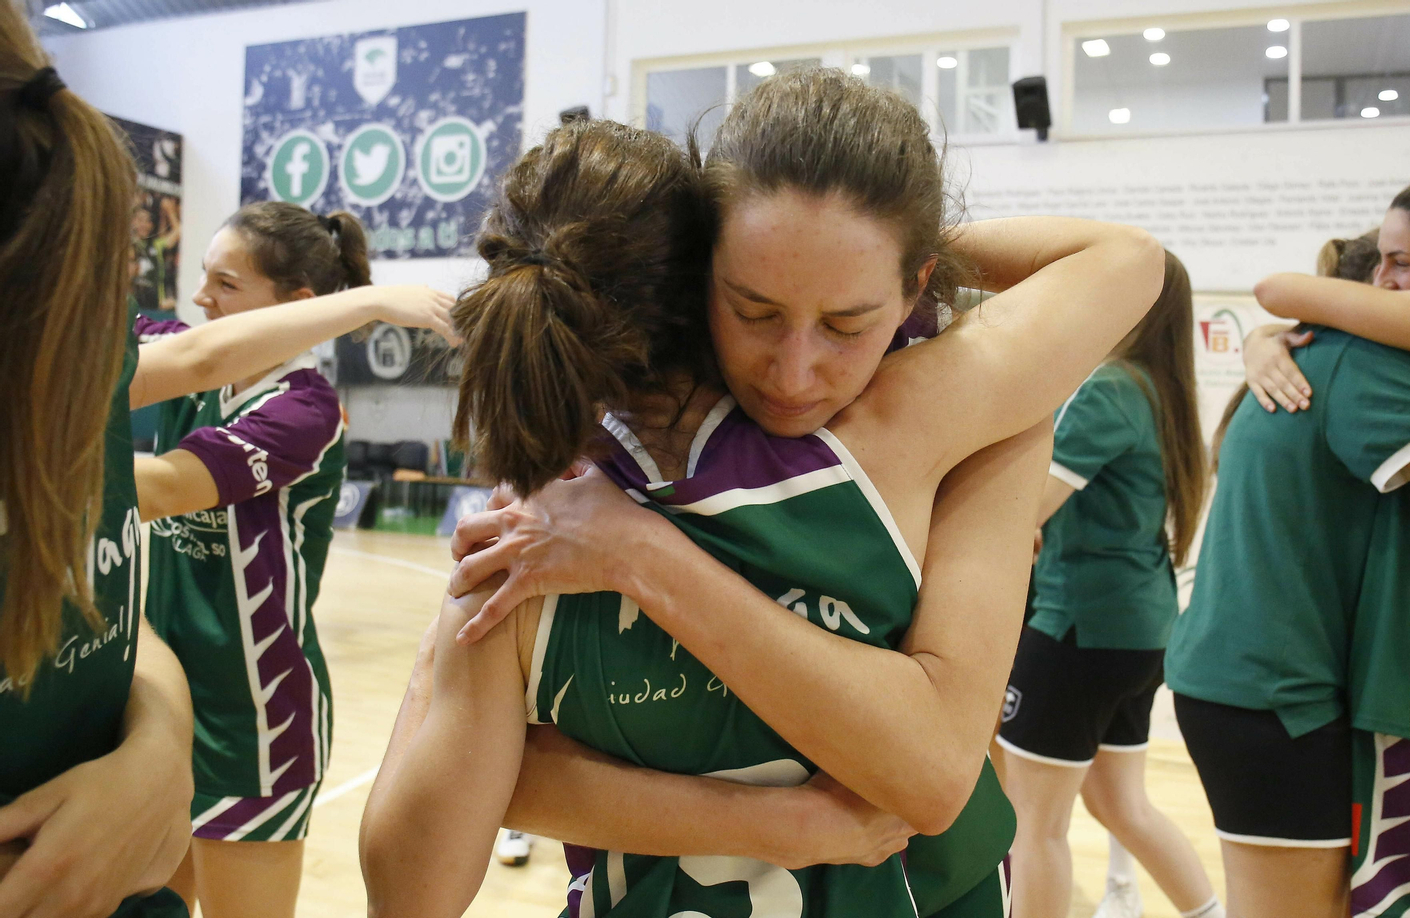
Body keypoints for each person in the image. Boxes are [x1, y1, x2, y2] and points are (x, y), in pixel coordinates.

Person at [363, 71, 1163, 917]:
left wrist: (634, 558)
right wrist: (776, 823)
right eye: (753, 310)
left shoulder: (929, 418)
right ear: (697, 270)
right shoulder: (915, 420)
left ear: (914, 285)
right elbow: (1127, 259)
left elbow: (931, 776)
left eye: (848, 324)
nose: (794, 371)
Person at [1165, 163, 1410, 918]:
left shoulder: (1328, 362)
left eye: (1401, 264)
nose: (1385, 283)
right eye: (1379, 266)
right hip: (1274, 688)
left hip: (1254, 680)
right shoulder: (1367, 366)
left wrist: (1268, 342)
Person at [134, 202, 449, 918]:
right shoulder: (188, 357)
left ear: (299, 308)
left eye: (225, 282)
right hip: (162, 707)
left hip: (255, 721)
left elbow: (160, 489)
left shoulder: (303, 410)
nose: (200, 298)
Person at [0, 14, 194, 915]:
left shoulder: (78, 344)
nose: (201, 296)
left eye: (228, 283)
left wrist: (158, 746)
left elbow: (105, 617)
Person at [997, 250, 1220, 918]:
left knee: (1034, 826)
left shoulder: (1112, 388)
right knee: (1120, 804)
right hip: (1138, 630)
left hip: (1079, 628)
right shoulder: (1160, 391)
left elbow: (1030, 505)